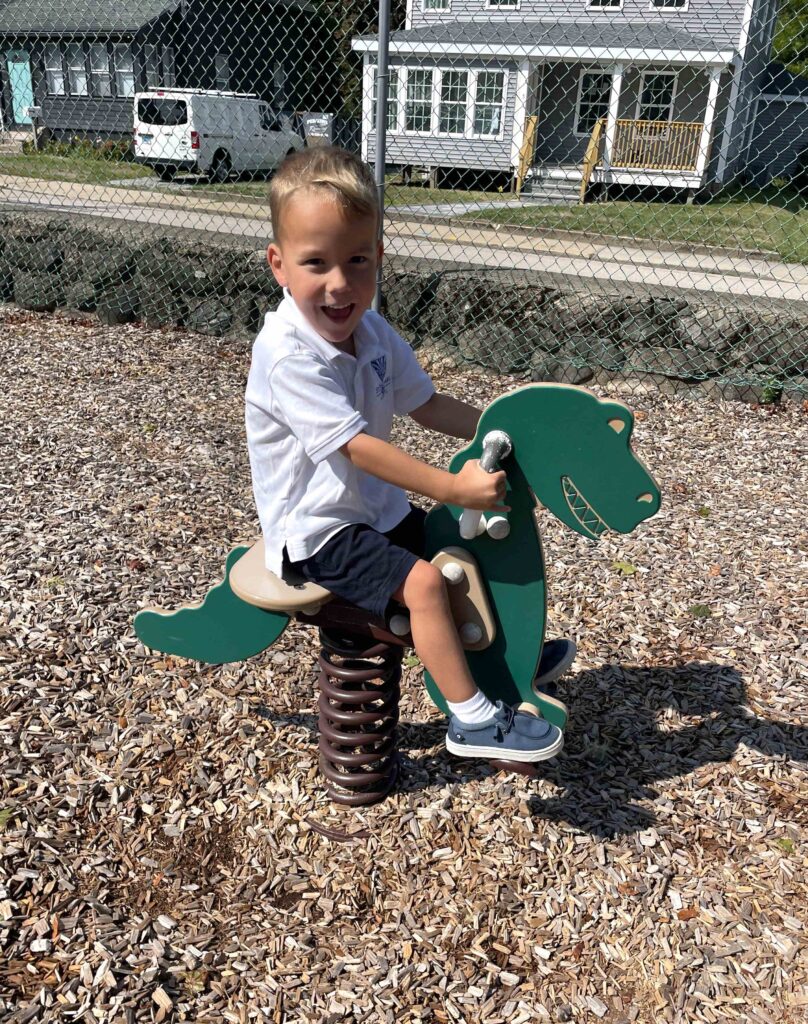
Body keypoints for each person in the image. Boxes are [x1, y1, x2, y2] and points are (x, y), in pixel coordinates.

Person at [245, 145, 573, 763]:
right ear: (279, 265)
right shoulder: (289, 355)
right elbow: (357, 447)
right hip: (317, 530)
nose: (339, 284)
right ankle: (471, 720)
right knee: (424, 584)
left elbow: (425, 404)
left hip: (374, 511)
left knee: (466, 547)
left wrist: (498, 433)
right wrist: (450, 488)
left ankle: (506, 664)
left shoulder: (371, 331)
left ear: (379, 258)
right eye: (315, 263)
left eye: (357, 260)